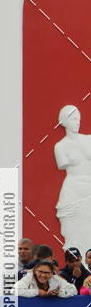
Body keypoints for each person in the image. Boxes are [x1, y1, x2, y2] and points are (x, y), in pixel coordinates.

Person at [54, 105, 91, 255]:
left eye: (79, 119)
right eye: (74, 119)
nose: (78, 122)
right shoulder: (60, 146)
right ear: (63, 121)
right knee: (73, 232)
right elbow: (62, 164)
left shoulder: (89, 140)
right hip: (73, 190)